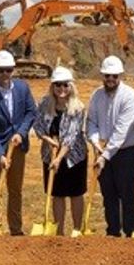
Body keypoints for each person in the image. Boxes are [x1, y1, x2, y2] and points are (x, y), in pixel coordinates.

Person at [0, 50, 38, 235]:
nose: (5, 74)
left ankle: (16, 228)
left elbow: (30, 112)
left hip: (17, 146)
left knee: (15, 189)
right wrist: (0, 155)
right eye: (1, 70)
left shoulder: (22, 88)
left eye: (9, 70)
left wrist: (21, 133)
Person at [86, 55, 134, 237]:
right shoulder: (97, 95)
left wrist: (104, 156)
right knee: (108, 195)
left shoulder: (129, 96)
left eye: (114, 76)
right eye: (107, 76)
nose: (110, 79)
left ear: (120, 76)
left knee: (127, 196)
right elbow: (91, 122)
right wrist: (95, 143)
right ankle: (112, 232)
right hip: (103, 151)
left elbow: (121, 131)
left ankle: (131, 232)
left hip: (126, 153)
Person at [34, 66, 88, 236]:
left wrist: (59, 159)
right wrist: (47, 139)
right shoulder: (44, 103)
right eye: (58, 85)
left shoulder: (77, 108)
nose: (61, 89)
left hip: (74, 157)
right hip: (49, 155)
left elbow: (71, 137)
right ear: (52, 86)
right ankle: (59, 231)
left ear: (71, 86)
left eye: (65, 85)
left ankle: (77, 229)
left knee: (75, 193)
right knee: (57, 193)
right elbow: (38, 126)